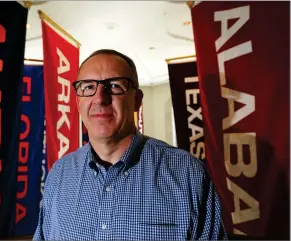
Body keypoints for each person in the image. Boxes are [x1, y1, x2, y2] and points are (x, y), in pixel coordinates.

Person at [33, 49, 227, 240]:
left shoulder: (187, 174)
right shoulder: (59, 175)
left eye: (115, 86)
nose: (100, 98)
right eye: (88, 87)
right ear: (78, 103)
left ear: (137, 100)